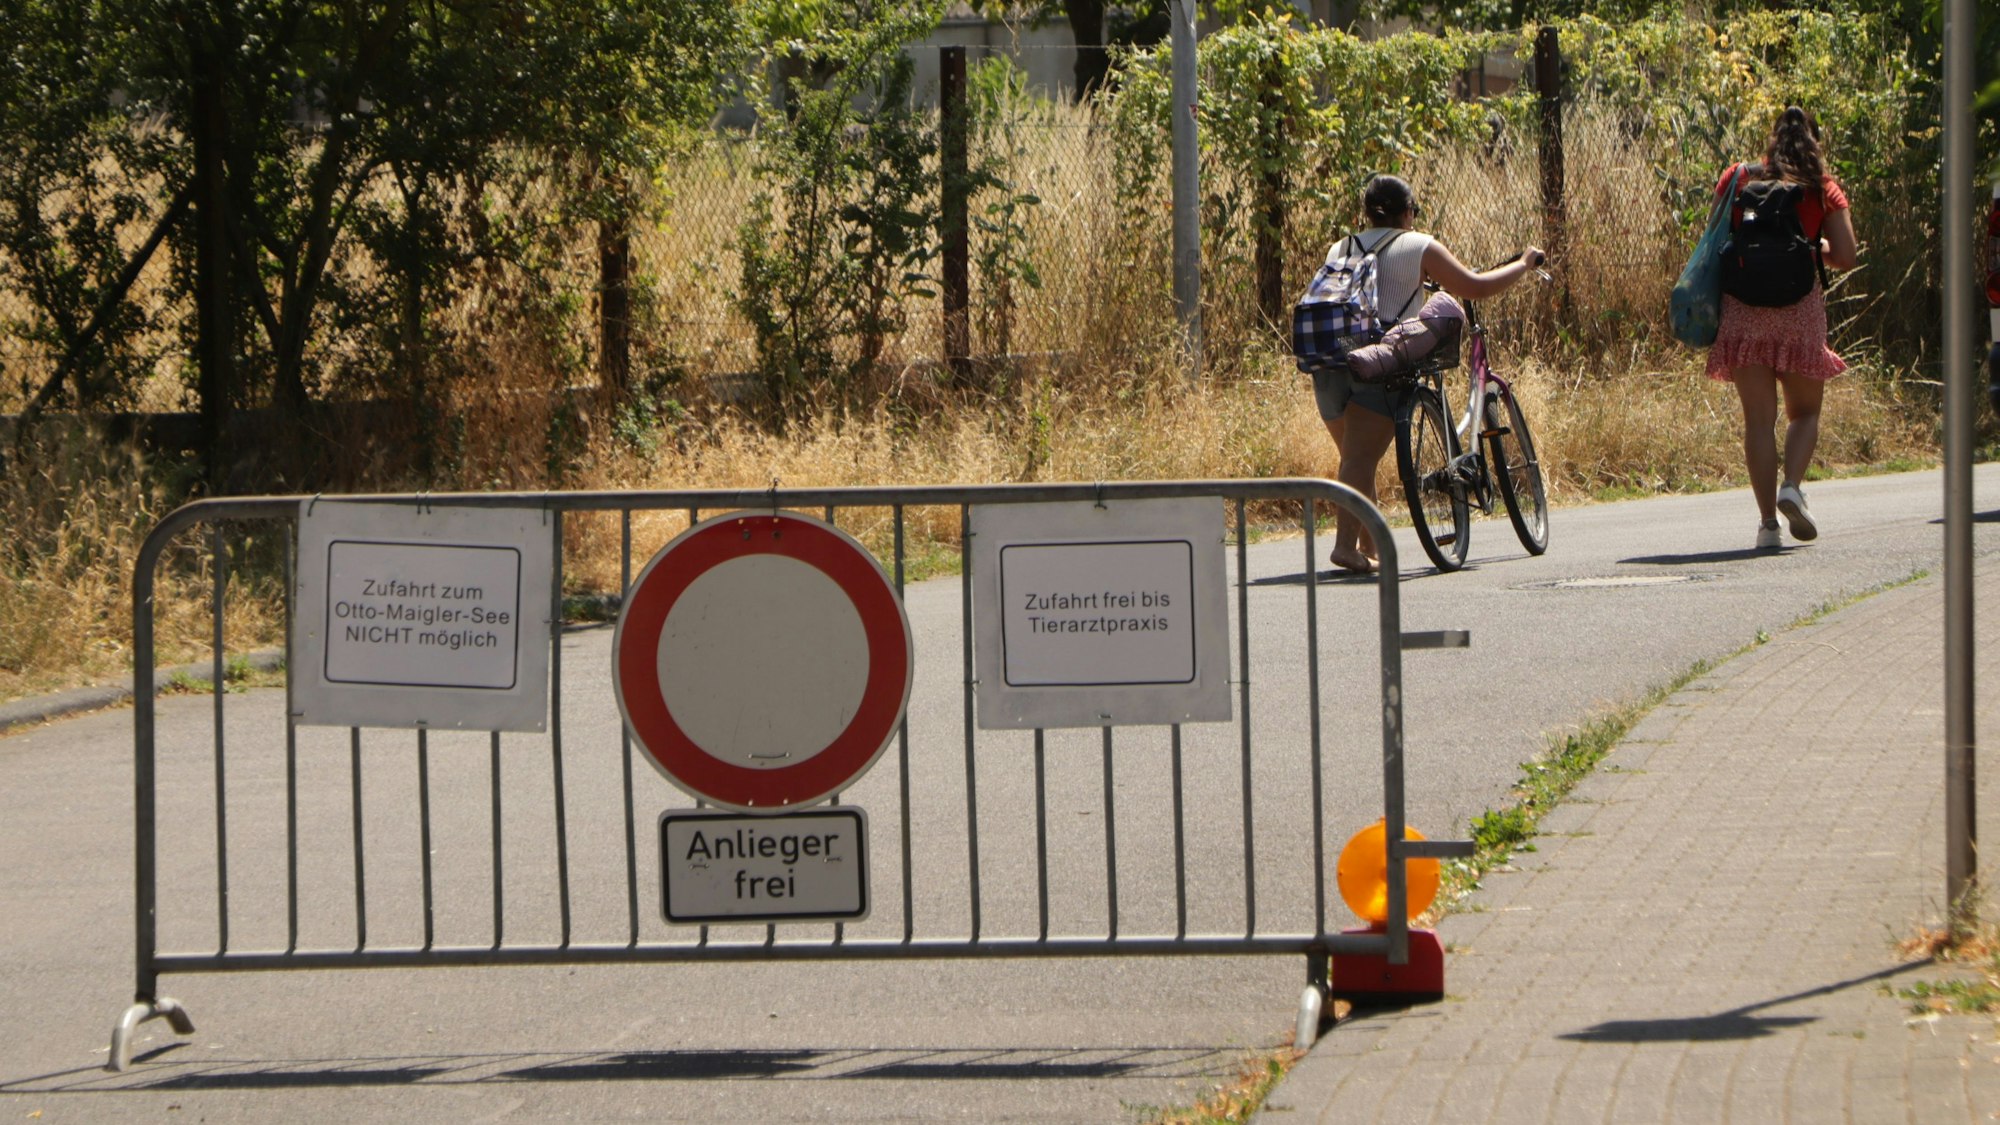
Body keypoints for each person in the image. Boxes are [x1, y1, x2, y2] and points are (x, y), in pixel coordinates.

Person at [1315, 174, 1545, 574]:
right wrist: (1523, 264)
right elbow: (1474, 287)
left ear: (1367, 213)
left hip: (1328, 364)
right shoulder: (1418, 245)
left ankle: (1368, 546)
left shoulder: (1342, 245)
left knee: (1357, 457)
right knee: (1360, 458)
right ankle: (1344, 547)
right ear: (1408, 212)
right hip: (1377, 362)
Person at [1708, 106, 1859, 549]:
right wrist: (1814, 246)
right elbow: (1847, 256)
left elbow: (1715, 241)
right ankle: (1791, 486)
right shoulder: (1822, 189)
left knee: (1759, 421)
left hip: (1743, 309)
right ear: (1816, 143)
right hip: (1798, 310)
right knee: (1805, 413)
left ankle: (1767, 526)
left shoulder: (1738, 178)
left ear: (1772, 140)